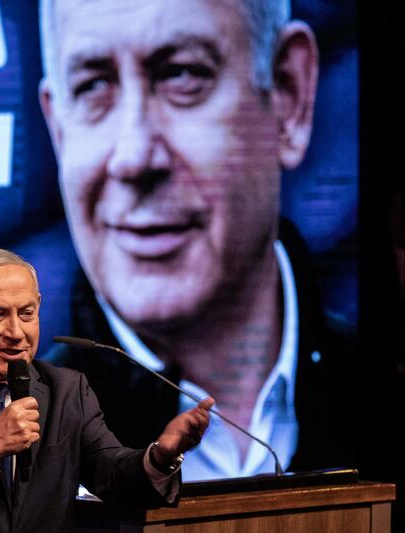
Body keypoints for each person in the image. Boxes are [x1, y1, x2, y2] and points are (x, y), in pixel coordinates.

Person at [38, 0, 356, 480]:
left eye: (181, 75)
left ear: (289, 95)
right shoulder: (18, 456)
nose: (133, 156)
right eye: (93, 86)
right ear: (59, 131)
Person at [0, 249, 213, 532]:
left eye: (27, 313)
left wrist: (161, 456)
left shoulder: (67, 389)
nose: (16, 331)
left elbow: (113, 476)